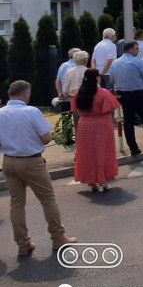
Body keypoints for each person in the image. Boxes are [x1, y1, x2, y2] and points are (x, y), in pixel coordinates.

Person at [0, 81, 77, 256]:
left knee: (16, 203)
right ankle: (58, 238)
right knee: (48, 199)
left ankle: (23, 244)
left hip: (9, 161)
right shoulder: (32, 111)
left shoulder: (0, 113)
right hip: (31, 161)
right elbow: (46, 138)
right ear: (25, 94)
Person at [71, 69, 119, 192]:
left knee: (87, 153)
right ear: (97, 78)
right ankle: (103, 181)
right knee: (103, 152)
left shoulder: (79, 93)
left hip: (85, 124)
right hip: (102, 124)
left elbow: (76, 110)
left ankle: (91, 182)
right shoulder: (103, 93)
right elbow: (111, 108)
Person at [109, 40, 143, 155]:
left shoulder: (115, 63)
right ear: (130, 49)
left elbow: (112, 80)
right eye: (136, 49)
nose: (138, 51)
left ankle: (133, 148)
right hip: (137, 93)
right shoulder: (138, 62)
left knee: (128, 120)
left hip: (123, 94)